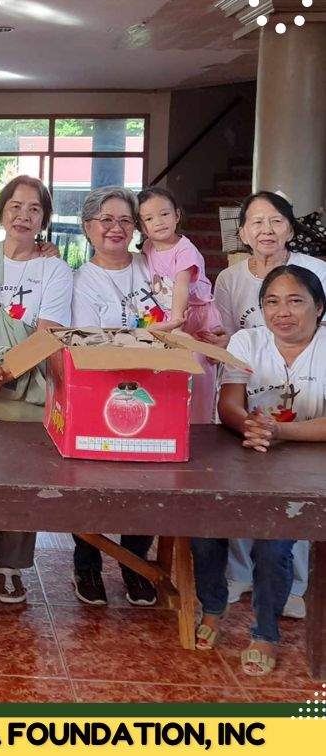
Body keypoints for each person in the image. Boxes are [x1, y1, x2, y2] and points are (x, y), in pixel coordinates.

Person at [192, 264, 326, 676]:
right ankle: (212, 608)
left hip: (309, 465)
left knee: (273, 545)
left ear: (319, 307)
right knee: (203, 527)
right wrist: (248, 424)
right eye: (272, 302)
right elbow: (229, 403)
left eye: (295, 301)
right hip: (246, 453)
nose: (282, 312)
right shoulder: (248, 340)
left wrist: (280, 430)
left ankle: (265, 633)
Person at [205, 191, 326, 620]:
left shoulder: (318, 273)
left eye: (275, 221)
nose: (266, 230)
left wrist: (278, 430)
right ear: (242, 233)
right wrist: (254, 425)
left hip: (306, 425)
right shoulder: (232, 283)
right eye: (256, 223)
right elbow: (224, 337)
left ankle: (292, 584)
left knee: (297, 506)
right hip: (251, 408)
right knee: (242, 485)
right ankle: (239, 576)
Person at [0, 176, 73, 601]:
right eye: (16, 206)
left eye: (34, 209)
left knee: (23, 482)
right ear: (1, 211)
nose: (24, 215)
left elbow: (47, 335)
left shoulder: (54, 268)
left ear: (44, 218)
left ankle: (13, 564)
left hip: (26, 390)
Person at [70, 186, 157, 607]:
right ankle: (86, 562)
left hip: (156, 391)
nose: (116, 228)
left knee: (148, 482)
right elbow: (89, 343)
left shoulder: (153, 266)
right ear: (89, 227)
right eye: (106, 219)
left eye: (125, 220)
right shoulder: (81, 280)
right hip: (99, 394)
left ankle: (135, 564)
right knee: (93, 483)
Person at [137, 186, 223, 423]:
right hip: (171, 314)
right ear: (143, 227)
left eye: (164, 214)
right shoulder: (148, 247)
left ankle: (201, 421)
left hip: (197, 314)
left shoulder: (186, 250)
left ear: (177, 215)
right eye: (149, 218)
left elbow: (181, 285)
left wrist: (175, 324)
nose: (159, 222)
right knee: (172, 370)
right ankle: (171, 421)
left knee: (200, 367)